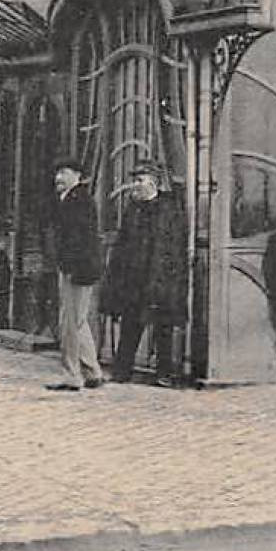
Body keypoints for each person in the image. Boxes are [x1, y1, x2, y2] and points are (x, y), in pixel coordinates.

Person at [101, 160, 187, 385]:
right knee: (131, 324)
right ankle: (122, 371)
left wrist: (170, 278)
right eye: (135, 180)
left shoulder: (169, 209)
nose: (135, 186)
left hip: (159, 278)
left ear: (153, 182)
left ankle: (164, 374)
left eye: (139, 180)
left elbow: (174, 247)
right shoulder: (133, 209)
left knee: (163, 328)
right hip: (135, 278)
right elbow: (123, 243)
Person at [47, 158, 106, 392]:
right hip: (78, 267)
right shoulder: (72, 199)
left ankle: (72, 374)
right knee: (78, 321)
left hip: (76, 268)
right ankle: (93, 371)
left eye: (64, 172)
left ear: (77, 175)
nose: (58, 178)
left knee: (70, 323)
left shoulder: (77, 201)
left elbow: (77, 239)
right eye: (57, 173)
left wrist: (69, 267)